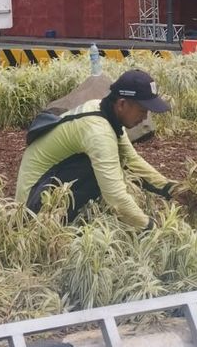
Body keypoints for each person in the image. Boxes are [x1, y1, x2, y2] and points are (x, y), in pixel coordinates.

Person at [15, 70, 180, 229]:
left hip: (44, 186)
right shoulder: (98, 132)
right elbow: (115, 197)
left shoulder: (102, 110)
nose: (145, 118)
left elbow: (132, 161)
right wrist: (150, 227)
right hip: (33, 206)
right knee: (103, 170)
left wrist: (172, 189)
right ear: (122, 104)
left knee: (113, 162)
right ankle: (59, 228)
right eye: (142, 110)